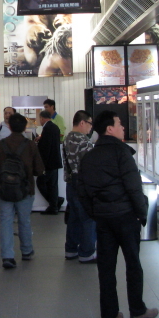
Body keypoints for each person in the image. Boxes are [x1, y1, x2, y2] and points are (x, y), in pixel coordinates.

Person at [77, 110, 159, 318]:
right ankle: (137, 309)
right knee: (133, 264)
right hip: (126, 217)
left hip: (103, 219)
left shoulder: (89, 156)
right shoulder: (122, 154)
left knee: (106, 267)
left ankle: (109, 313)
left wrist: (95, 212)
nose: (123, 128)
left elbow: (82, 191)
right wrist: (142, 213)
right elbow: (134, 187)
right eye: (120, 124)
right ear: (109, 129)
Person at [0, 113, 45, 269]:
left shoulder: (1, 144)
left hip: (4, 189)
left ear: (9, 126)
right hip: (25, 189)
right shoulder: (30, 145)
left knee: (6, 221)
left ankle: (7, 256)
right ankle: (26, 251)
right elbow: (39, 170)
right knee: (24, 220)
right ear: (25, 127)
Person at [63, 110, 96, 263]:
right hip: (83, 185)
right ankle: (87, 252)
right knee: (88, 218)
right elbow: (90, 166)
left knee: (74, 218)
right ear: (82, 122)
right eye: (89, 124)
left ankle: (70, 249)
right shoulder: (84, 141)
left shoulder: (67, 138)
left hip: (70, 183)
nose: (90, 128)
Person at [37, 110, 64, 215]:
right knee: (53, 185)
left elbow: (46, 147)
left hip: (48, 162)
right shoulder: (55, 127)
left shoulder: (47, 128)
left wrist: (41, 163)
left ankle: (55, 203)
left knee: (41, 183)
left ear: (42, 118)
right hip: (55, 161)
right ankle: (54, 205)